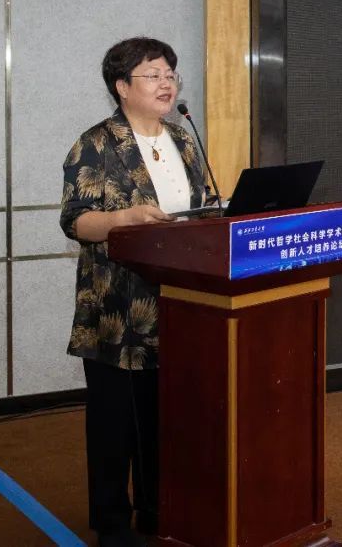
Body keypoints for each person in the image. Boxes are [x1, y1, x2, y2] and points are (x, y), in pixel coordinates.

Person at [60, 37, 207, 547]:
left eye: (170, 74)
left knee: (163, 417)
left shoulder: (183, 139)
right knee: (114, 425)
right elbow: (76, 221)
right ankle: (112, 523)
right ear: (122, 87)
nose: (167, 84)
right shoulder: (96, 144)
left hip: (180, 302)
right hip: (117, 309)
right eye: (153, 75)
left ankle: (155, 509)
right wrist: (126, 218)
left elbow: (200, 208)